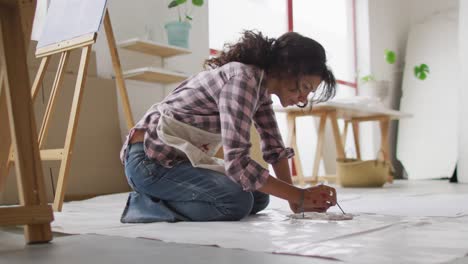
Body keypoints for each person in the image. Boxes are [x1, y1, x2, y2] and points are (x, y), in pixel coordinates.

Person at [120, 30, 337, 223]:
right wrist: (298, 195)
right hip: (148, 162)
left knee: (259, 198)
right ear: (288, 70)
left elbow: (274, 149)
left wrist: (295, 199)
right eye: (306, 87)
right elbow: (238, 164)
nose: (303, 98)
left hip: (178, 162)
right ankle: (145, 204)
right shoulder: (243, 79)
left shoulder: (260, 89)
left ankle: (168, 194)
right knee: (236, 201)